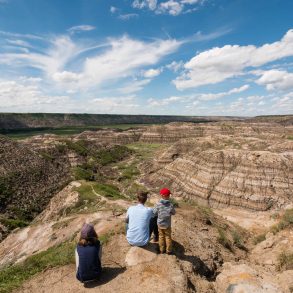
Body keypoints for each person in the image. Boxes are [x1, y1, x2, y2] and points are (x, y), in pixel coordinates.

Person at [153, 188, 176, 255]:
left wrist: (159, 213)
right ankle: (169, 251)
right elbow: (174, 213)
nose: (169, 196)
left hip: (160, 224)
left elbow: (154, 212)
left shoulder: (158, 204)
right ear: (168, 196)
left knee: (161, 236)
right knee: (168, 237)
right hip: (167, 225)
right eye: (168, 195)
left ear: (161, 195)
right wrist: (169, 213)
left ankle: (162, 250)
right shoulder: (170, 205)